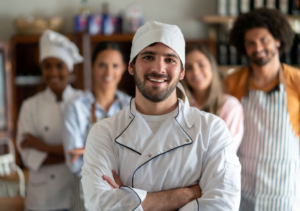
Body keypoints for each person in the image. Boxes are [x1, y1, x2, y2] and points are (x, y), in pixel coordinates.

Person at [81, 21, 241, 211]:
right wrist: (187, 194)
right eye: (148, 57)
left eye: (170, 59)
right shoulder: (104, 132)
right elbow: (99, 205)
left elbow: (223, 205)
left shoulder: (212, 129)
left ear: (182, 72)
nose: (158, 68)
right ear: (131, 67)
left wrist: (128, 199)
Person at [224, 8, 300, 210]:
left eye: (264, 40)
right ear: (243, 46)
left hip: (285, 193)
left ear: (277, 39)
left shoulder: (297, 81)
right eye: (250, 43)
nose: (257, 47)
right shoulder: (233, 82)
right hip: (243, 190)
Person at [16, 30, 83, 211]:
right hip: (42, 201)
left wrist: (43, 146)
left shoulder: (83, 101)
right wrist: (73, 154)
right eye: (47, 66)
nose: (53, 72)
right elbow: (29, 157)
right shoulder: (30, 106)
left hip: (76, 195)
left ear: (69, 68)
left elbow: (91, 150)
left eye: (59, 65)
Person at [63, 41, 131, 211]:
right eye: (102, 65)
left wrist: (89, 150)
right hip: (85, 200)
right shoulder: (75, 107)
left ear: (124, 67)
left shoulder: (132, 107)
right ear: (91, 66)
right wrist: (117, 154)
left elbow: (136, 159)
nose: (109, 72)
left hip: (122, 198)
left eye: (115, 65)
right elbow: (73, 163)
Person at [183, 44, 244, 152]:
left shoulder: (230, 106)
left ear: (212, 66)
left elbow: (226, 152)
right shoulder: (180, 105)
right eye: (189, 67)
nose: (196, 72)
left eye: (201, 65)